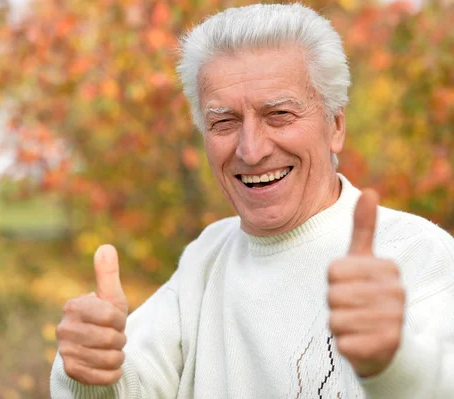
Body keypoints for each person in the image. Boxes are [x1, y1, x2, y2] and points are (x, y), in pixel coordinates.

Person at [50, 3, 454, 398]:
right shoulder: (205, 258)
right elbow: (132, 384)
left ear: (335, 126)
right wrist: (91, 373)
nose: (251, 150)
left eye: (279, 114)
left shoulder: (419, 254)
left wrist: (392, 363)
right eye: (223, 122)